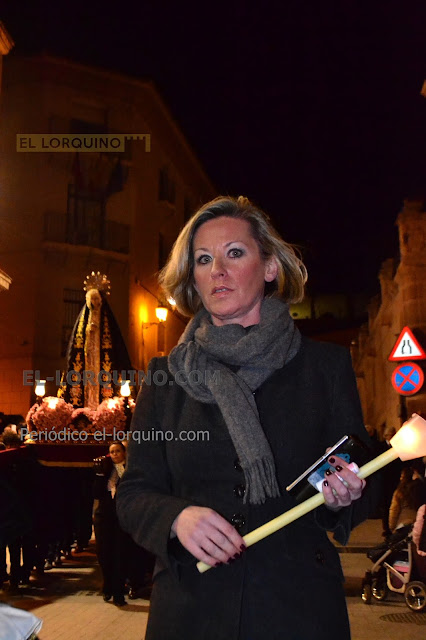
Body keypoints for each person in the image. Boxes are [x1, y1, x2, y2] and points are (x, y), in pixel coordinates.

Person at [116, 195, 371, 640]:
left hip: (298, 612)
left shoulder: (324, 368)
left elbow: (361, 470)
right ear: (194, 278)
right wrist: (176, 518)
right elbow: (134, 491)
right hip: (191, 613)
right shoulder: (164, 378)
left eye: (234, 253)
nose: (218, 270)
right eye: (203, 259)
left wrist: (343, 495)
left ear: (269, 266)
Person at [93, 442, 153, 606]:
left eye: (118, 451)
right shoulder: (105, 469)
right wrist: (100, 474)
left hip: (122, 518)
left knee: (120, 556)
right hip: (104, 518)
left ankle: (118, 593)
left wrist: (121, 468)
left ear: (125, 452)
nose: (115, 454)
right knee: (104, 554)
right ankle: (107, 587)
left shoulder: (130, 470)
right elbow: (97, 493)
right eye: (112, 452)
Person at [388, 466, 424, 533]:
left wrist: (392, 527)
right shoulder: (421, 489)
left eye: (402, 476)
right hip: (419, 524)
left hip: (403, 524)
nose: (400, 478)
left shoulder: (400, 491)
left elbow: (394, 510)